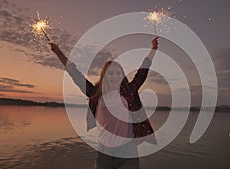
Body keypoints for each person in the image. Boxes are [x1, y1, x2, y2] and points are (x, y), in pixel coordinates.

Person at [50, 37, 159, 169]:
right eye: (110, 73)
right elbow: (75, 74)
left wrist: (153, 49)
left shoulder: (129, 91)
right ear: (105, 76)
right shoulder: (95, 93)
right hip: (104, 154)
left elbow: (143, 71)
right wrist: (58, 52)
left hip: (128, 152)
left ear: (122, 75)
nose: (114, 76)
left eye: (118, 73)